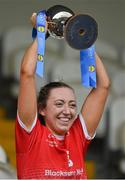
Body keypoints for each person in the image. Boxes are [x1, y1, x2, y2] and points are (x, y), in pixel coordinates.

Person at [15, 13, 110, 179]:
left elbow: (103, 86)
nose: (67, 111)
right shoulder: (31, 136)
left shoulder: (78, 135)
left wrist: (86, 41)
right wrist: (41, 34)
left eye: (72, 105)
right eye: (59, 104)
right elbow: (26, 74)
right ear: (42, 109)